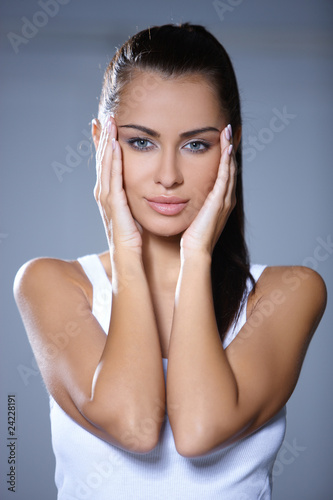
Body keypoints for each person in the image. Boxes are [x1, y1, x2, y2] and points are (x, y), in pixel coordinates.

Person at [14, 23, 326, 500]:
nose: (168, 176)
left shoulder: (289, 292)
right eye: (141, 141)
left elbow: (200, 430)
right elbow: (137, 426)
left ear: (231, 145)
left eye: (195, 144)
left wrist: (197, 254)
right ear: (101, 142)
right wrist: (125, 247)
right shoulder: (50, 285)